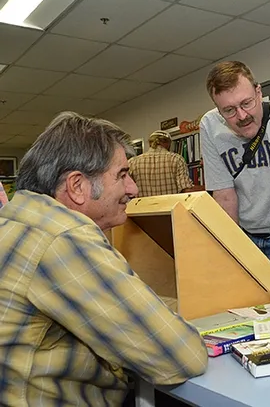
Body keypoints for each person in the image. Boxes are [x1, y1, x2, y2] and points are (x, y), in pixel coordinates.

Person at [0, 112, 208, 406]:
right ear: (77, 186)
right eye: (122, 175)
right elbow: (182, 357)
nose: (133, 189)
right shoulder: (64, 236)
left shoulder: (17, 217)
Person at [201, 61, 270, 279]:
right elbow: (225, 198)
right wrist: (231, 260)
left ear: (259, 92)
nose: (242, 116)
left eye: (247, 103)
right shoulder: (209, 125)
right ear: (218, 110)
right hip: (246, 239)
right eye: (229, 110)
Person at [128, 130, 201, 197]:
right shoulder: (176, 159)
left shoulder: (132, 162)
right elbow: (186, 190)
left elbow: (127, 192)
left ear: (150, 143)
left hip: (142, 209)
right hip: (170, 209)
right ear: (168, 143)